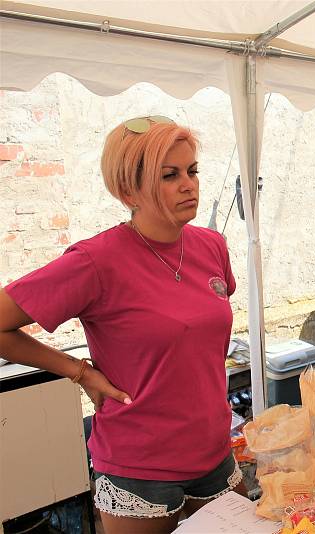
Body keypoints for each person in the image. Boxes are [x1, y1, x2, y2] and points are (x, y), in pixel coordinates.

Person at [0, 116, 246, 533]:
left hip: (215, 450)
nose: (189, 184)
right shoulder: (97, 261)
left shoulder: (211, 246)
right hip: (140, 465)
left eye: (192, 171)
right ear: (128, 190)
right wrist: (80, 372)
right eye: (170, 176)